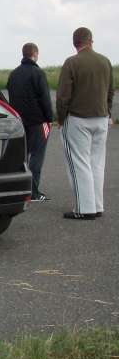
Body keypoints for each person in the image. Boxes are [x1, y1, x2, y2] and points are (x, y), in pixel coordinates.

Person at [56, 26, 114, 220]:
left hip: (78, 118)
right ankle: (97, 205)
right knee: (97, 163)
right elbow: (110, 91)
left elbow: (63, 95)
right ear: (91, 41)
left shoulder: (72, 62)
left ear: (75, 43)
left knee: (79, 163)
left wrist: (61, 118)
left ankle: (84, 209)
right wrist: (108, 112)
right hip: (101, 117)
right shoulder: (105, 61)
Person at [7, 42, 53, 202]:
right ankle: (33, 192)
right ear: (35, 54)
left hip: (20, 121)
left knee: (22, 156)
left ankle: (20, 189)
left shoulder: (14, 74)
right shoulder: (38, 73)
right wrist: (50, 118)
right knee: (37, 157)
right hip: (38, 121)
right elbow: (45, 98)